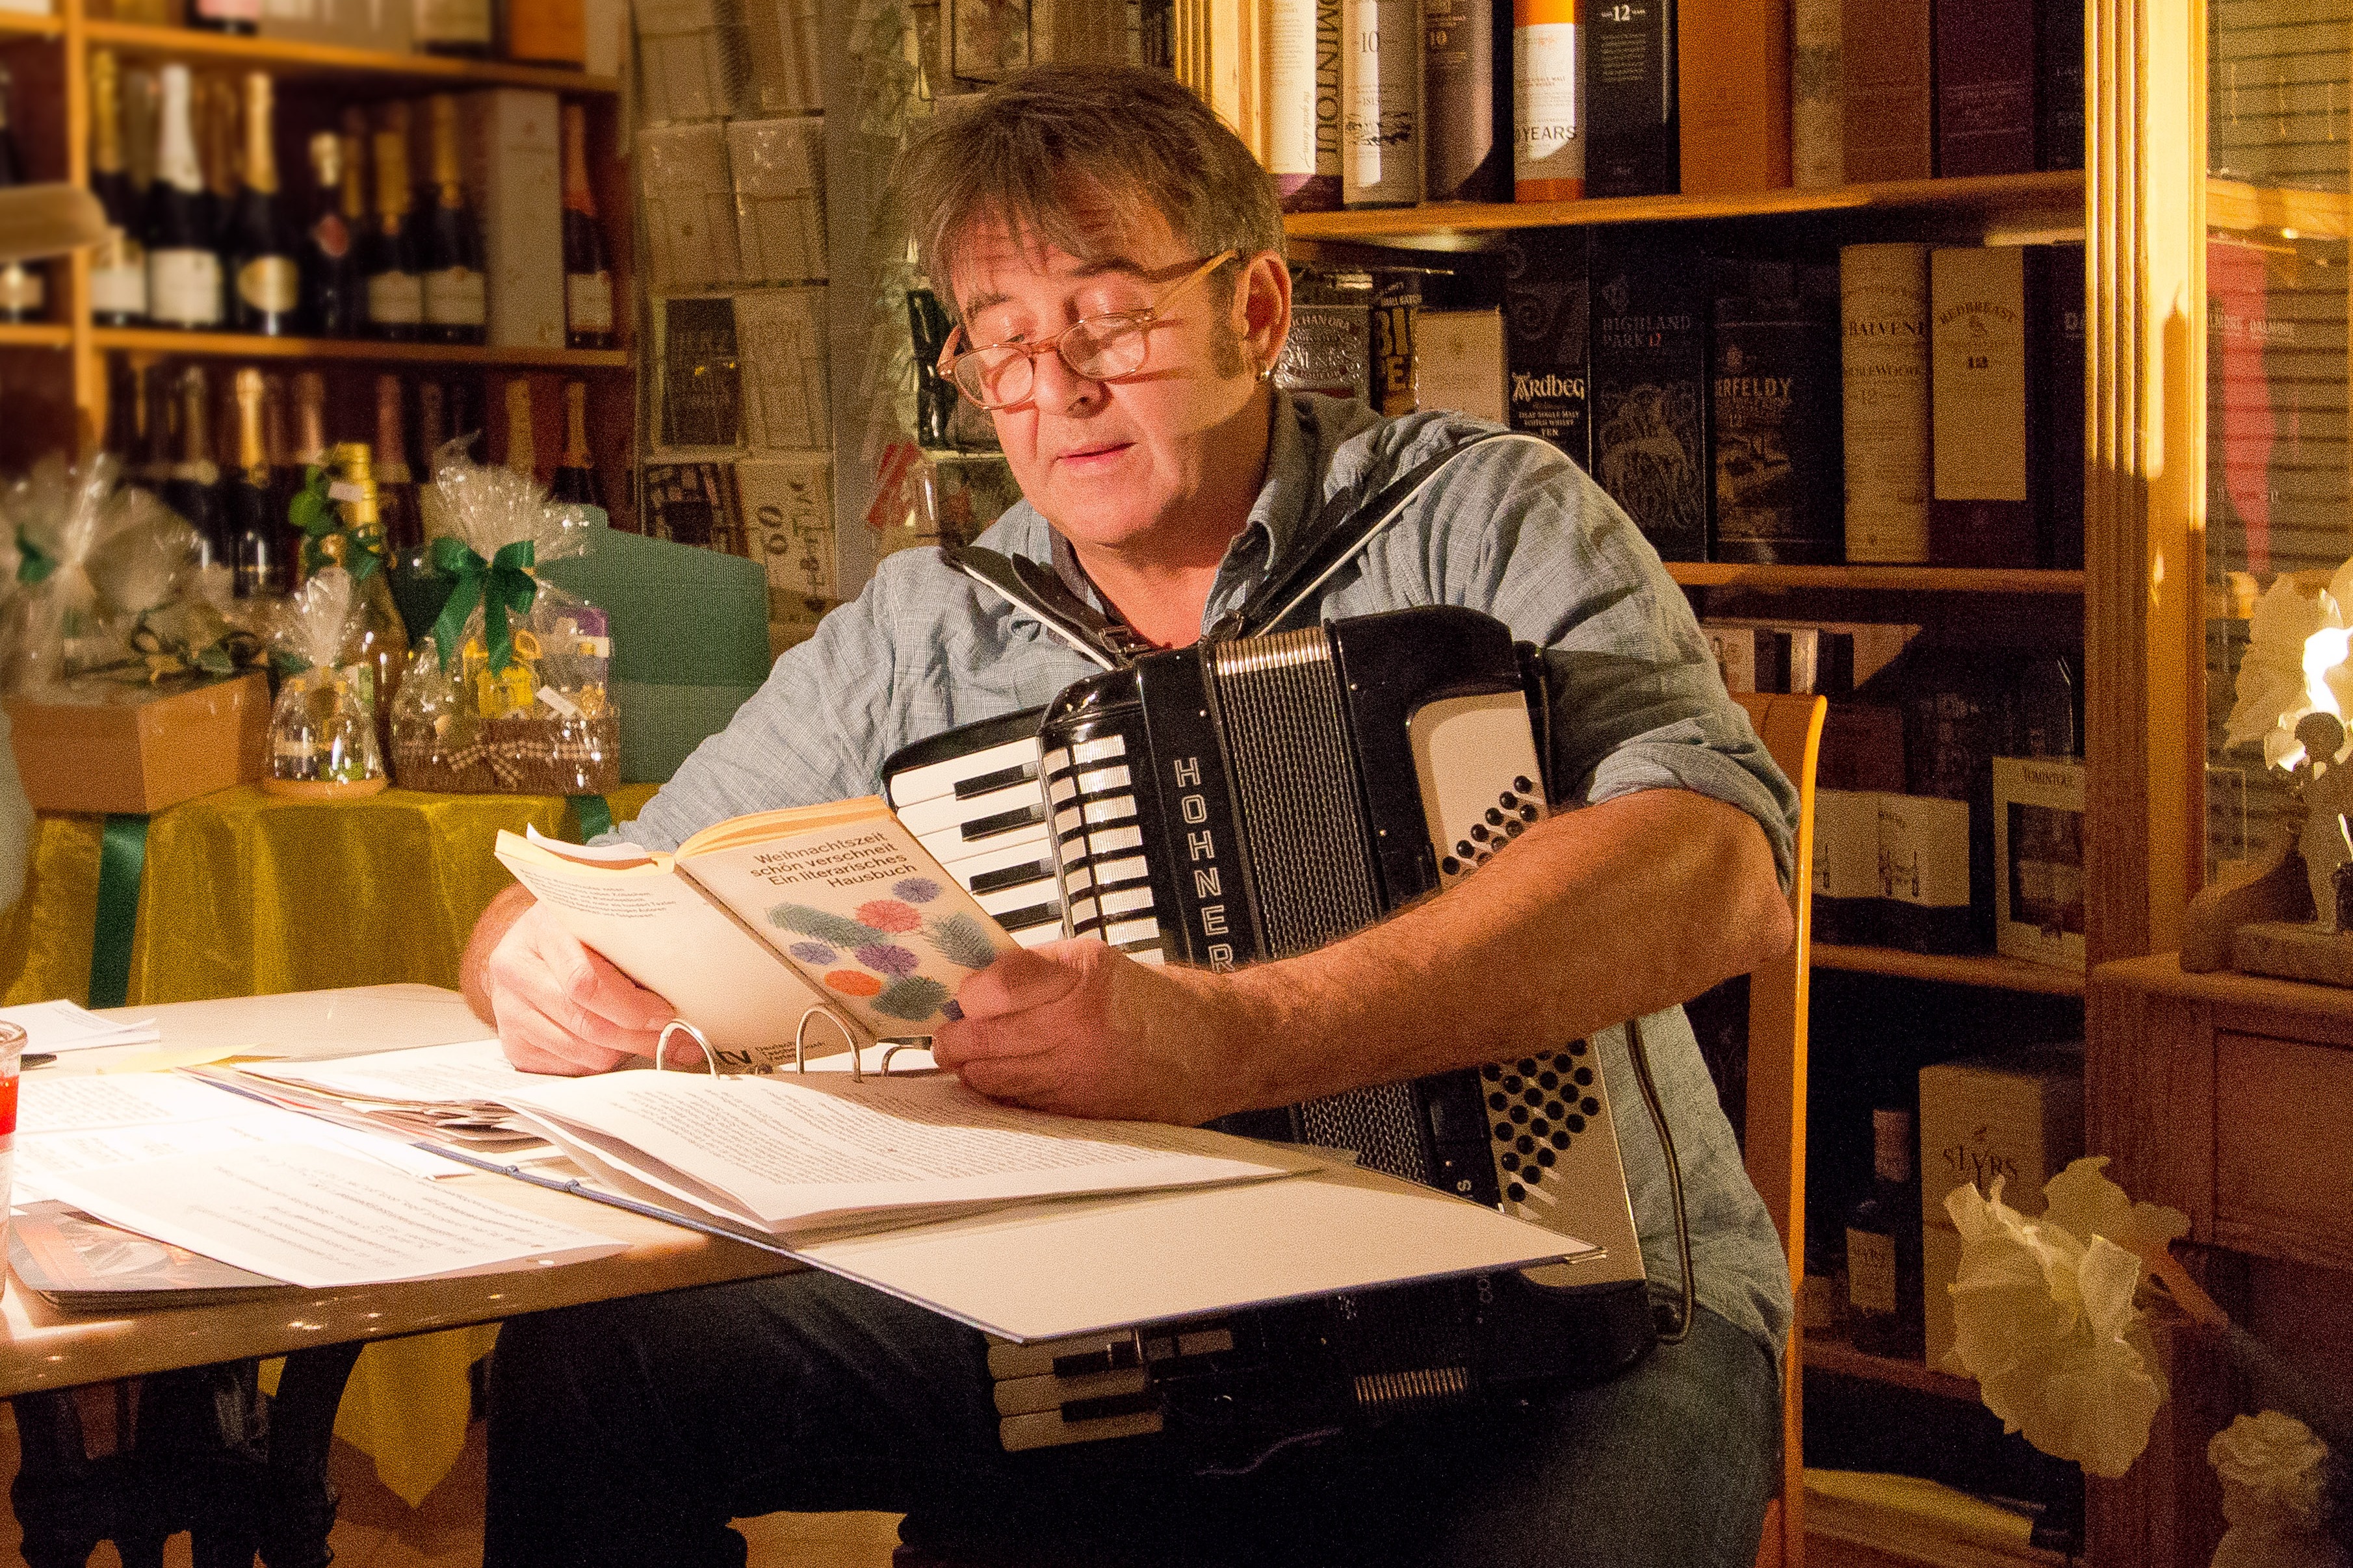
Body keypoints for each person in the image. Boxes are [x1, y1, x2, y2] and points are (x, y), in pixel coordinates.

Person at [465, 62, 1799, 1568]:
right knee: (596, 1369)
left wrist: (1237, 1036)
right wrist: (532, 959)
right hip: (1105, 1323)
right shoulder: (924, 631)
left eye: (1106, 321)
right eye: (1003, 347)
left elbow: (1718, 862)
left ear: (1257, 314)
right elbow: (607, 889)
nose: (1056, 393)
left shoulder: (1484, 519)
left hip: (1581, 1323)